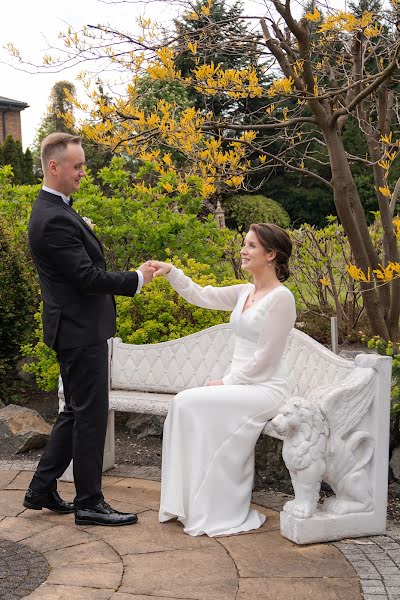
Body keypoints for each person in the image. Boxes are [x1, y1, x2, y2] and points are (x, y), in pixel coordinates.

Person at [23, 132, 155, 527]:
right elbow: (86, 276)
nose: (84, 171)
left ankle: (41, 488)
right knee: (91, 415)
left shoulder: (58, 210)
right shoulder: (52, 219)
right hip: (79, 331)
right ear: (54, 167)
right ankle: (89, 503)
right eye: (77, 166)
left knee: (74, 412)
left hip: (77, 328)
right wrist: (136, 279)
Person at [150, 223, 296, 537]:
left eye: (252, 246)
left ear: (271, 254)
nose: (243, 251)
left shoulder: (282, 299)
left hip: (266, 388)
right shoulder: (246, 292)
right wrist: (172, 272)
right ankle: (185, 503)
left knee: (188, 401)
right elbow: (202, 295)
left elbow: (267, 359)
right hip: (241, 385)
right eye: (245, 244)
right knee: (183, 405)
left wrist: (228, 381)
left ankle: (218, 507)